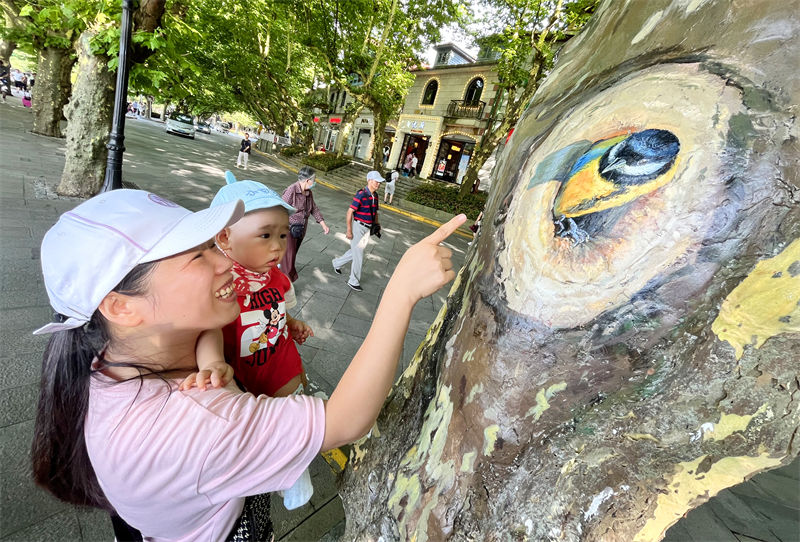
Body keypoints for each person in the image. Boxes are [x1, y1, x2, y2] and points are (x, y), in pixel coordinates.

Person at [30, 188, 465, 540]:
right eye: (200, 255)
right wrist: (400, 293)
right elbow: (344, 421)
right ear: (121, 308)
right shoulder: (195, 422)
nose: (226, 263)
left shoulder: (108, 357)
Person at [331, 170, 384, 292]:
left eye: (380, 182)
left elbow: (375, 212)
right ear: (369, 180)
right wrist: (349, 230)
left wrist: (377, 224)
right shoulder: (361, 194)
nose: (378, 184)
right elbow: (350, 212)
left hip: (367, 228)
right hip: (358, 227)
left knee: (354, 251)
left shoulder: (375, 196)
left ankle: (336, 263)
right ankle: (353, 280)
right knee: (358, 254)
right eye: (377, 182)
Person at [280, 166, 330, 282]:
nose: (315, 182)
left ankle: (278, 277)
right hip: (288, 230)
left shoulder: (308, 192)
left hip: (300, 230)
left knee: (289, 257)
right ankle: (287, 287)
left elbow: (314, 209)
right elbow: (281, 208)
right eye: (314, 179)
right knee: (289, 259)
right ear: (308, 180)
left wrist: (323, 224)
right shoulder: (291, 190)